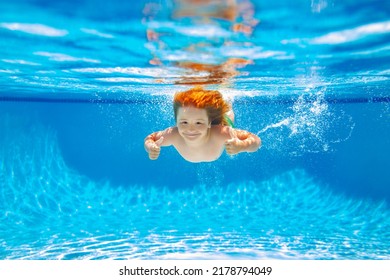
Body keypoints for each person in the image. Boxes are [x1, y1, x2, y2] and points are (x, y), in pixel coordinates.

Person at [144, 87, 261, 163]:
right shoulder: (172, 134)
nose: (190, 129)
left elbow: (256, 141)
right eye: (184, 122)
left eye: (198, 122)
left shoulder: (222, 133)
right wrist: (150, 147)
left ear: (209, 122)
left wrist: (242, 146)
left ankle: (226, 96)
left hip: (223, 121)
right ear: (176, 121)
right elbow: (151, 138)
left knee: (227, 112)